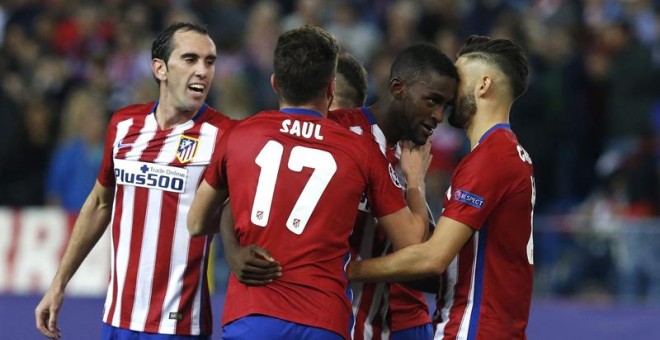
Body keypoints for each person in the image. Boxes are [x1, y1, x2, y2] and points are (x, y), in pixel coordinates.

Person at [186, 25, 431, 340]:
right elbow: (412, 240)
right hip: (323, 318)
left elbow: (195, 223)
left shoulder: (240, 135)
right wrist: (415, 182)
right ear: (330, 89)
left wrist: (233, 248)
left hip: (252, 313)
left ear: (275, 84)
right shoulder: (359, 150)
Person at [35, 22, 234, 339]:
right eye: (190, 59)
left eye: (209, 62)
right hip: (118, 318)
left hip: (179, 323)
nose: (202, 71)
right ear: (160, 68)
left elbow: (237, 212)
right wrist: (58, 284)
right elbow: (100, 203)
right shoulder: (123, 124)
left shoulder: (225, 135)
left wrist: (240, 256)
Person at [348, 35, 535, 339]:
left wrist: (346, 271)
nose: (449, 95)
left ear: (483, 85)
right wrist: (414, 186)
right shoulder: (508, 153)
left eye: (458, 80)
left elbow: (432, 258)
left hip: (474, 328)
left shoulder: (490, 158)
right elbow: (450, 256)